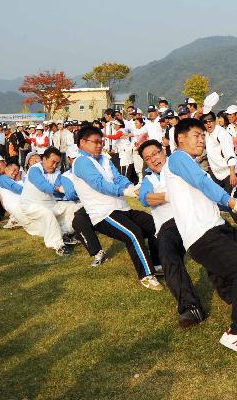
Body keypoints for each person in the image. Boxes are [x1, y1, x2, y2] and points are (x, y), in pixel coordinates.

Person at [162, 118, 237, 356]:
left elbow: (203, 192)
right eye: (196, 136)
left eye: (202, 136)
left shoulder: (190, 164)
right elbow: (200, 182)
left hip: (219, 229)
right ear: (180, 140)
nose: (201, 140)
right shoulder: (178, 158)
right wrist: (231, 201)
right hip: (202, 237)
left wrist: (233, 207)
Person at [72, 125, 164, 290]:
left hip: (121, 208)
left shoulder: (104, 159)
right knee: (133, 234)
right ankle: (146, 275)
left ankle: (157, 264)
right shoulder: (81, 162)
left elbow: (119, 178)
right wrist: (125, 190)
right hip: (103, 213)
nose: (100, 145)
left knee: (154, 223)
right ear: (82, 143)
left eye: (101, 141)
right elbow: (99, 184)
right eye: (95, 142)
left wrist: (131, 186)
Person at [138, 140, 207, 327]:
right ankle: (190, 308)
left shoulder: (178, 166)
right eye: (148, 158)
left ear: (164, 151)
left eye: (155, 153)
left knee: (214, 248)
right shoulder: (149, 179)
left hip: (193, 218)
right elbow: (145, 198)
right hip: (169, 225)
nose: (153, 159)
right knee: (168, 255)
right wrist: (168, 196)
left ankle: (231, 290)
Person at [20, 147, 82, 256]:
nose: (54, 166)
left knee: (76, 207)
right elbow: (44, 186)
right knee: (47, 213)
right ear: (44, 159)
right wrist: (59, 189)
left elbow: (60, 192)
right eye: (53, 162)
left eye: (57, 163)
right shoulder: (34, 169)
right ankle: (58, 245)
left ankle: (64, 232)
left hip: (51, 204)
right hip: (31, 206)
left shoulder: (57, 172)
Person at [60, 146, 106, 267]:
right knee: (78, 220)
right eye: (75, 158)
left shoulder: (96, 167)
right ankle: (97, 251)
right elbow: (70, 195)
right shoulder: (66, 176)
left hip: (101, 202)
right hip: (84, 204)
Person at [202, 111, 237, 192]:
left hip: (229, 171)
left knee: (229, 199)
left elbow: (230, 154)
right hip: (216, 172)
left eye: (210, 121)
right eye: (205, 122)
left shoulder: (222, 133)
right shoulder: (206, 134)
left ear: (215, 121)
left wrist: (232, 174)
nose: (208, 124)